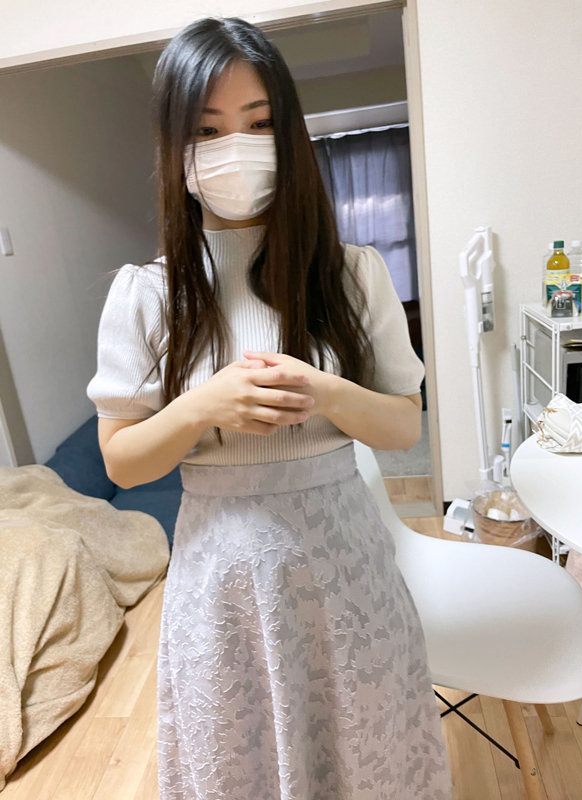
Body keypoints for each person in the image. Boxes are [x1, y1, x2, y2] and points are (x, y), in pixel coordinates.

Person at [87, 16, 451, 800]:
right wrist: (202, 406)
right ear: (175, 148)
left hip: (345, 569)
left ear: (289, 132)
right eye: (207, 129)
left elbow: (403, 423)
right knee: (240, 766)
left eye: (259, 124)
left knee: (369, 757)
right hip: (222, 584)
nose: (237, 148)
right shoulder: (147, 293)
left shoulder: (353, 273)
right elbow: (122, 459)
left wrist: (325, 390)